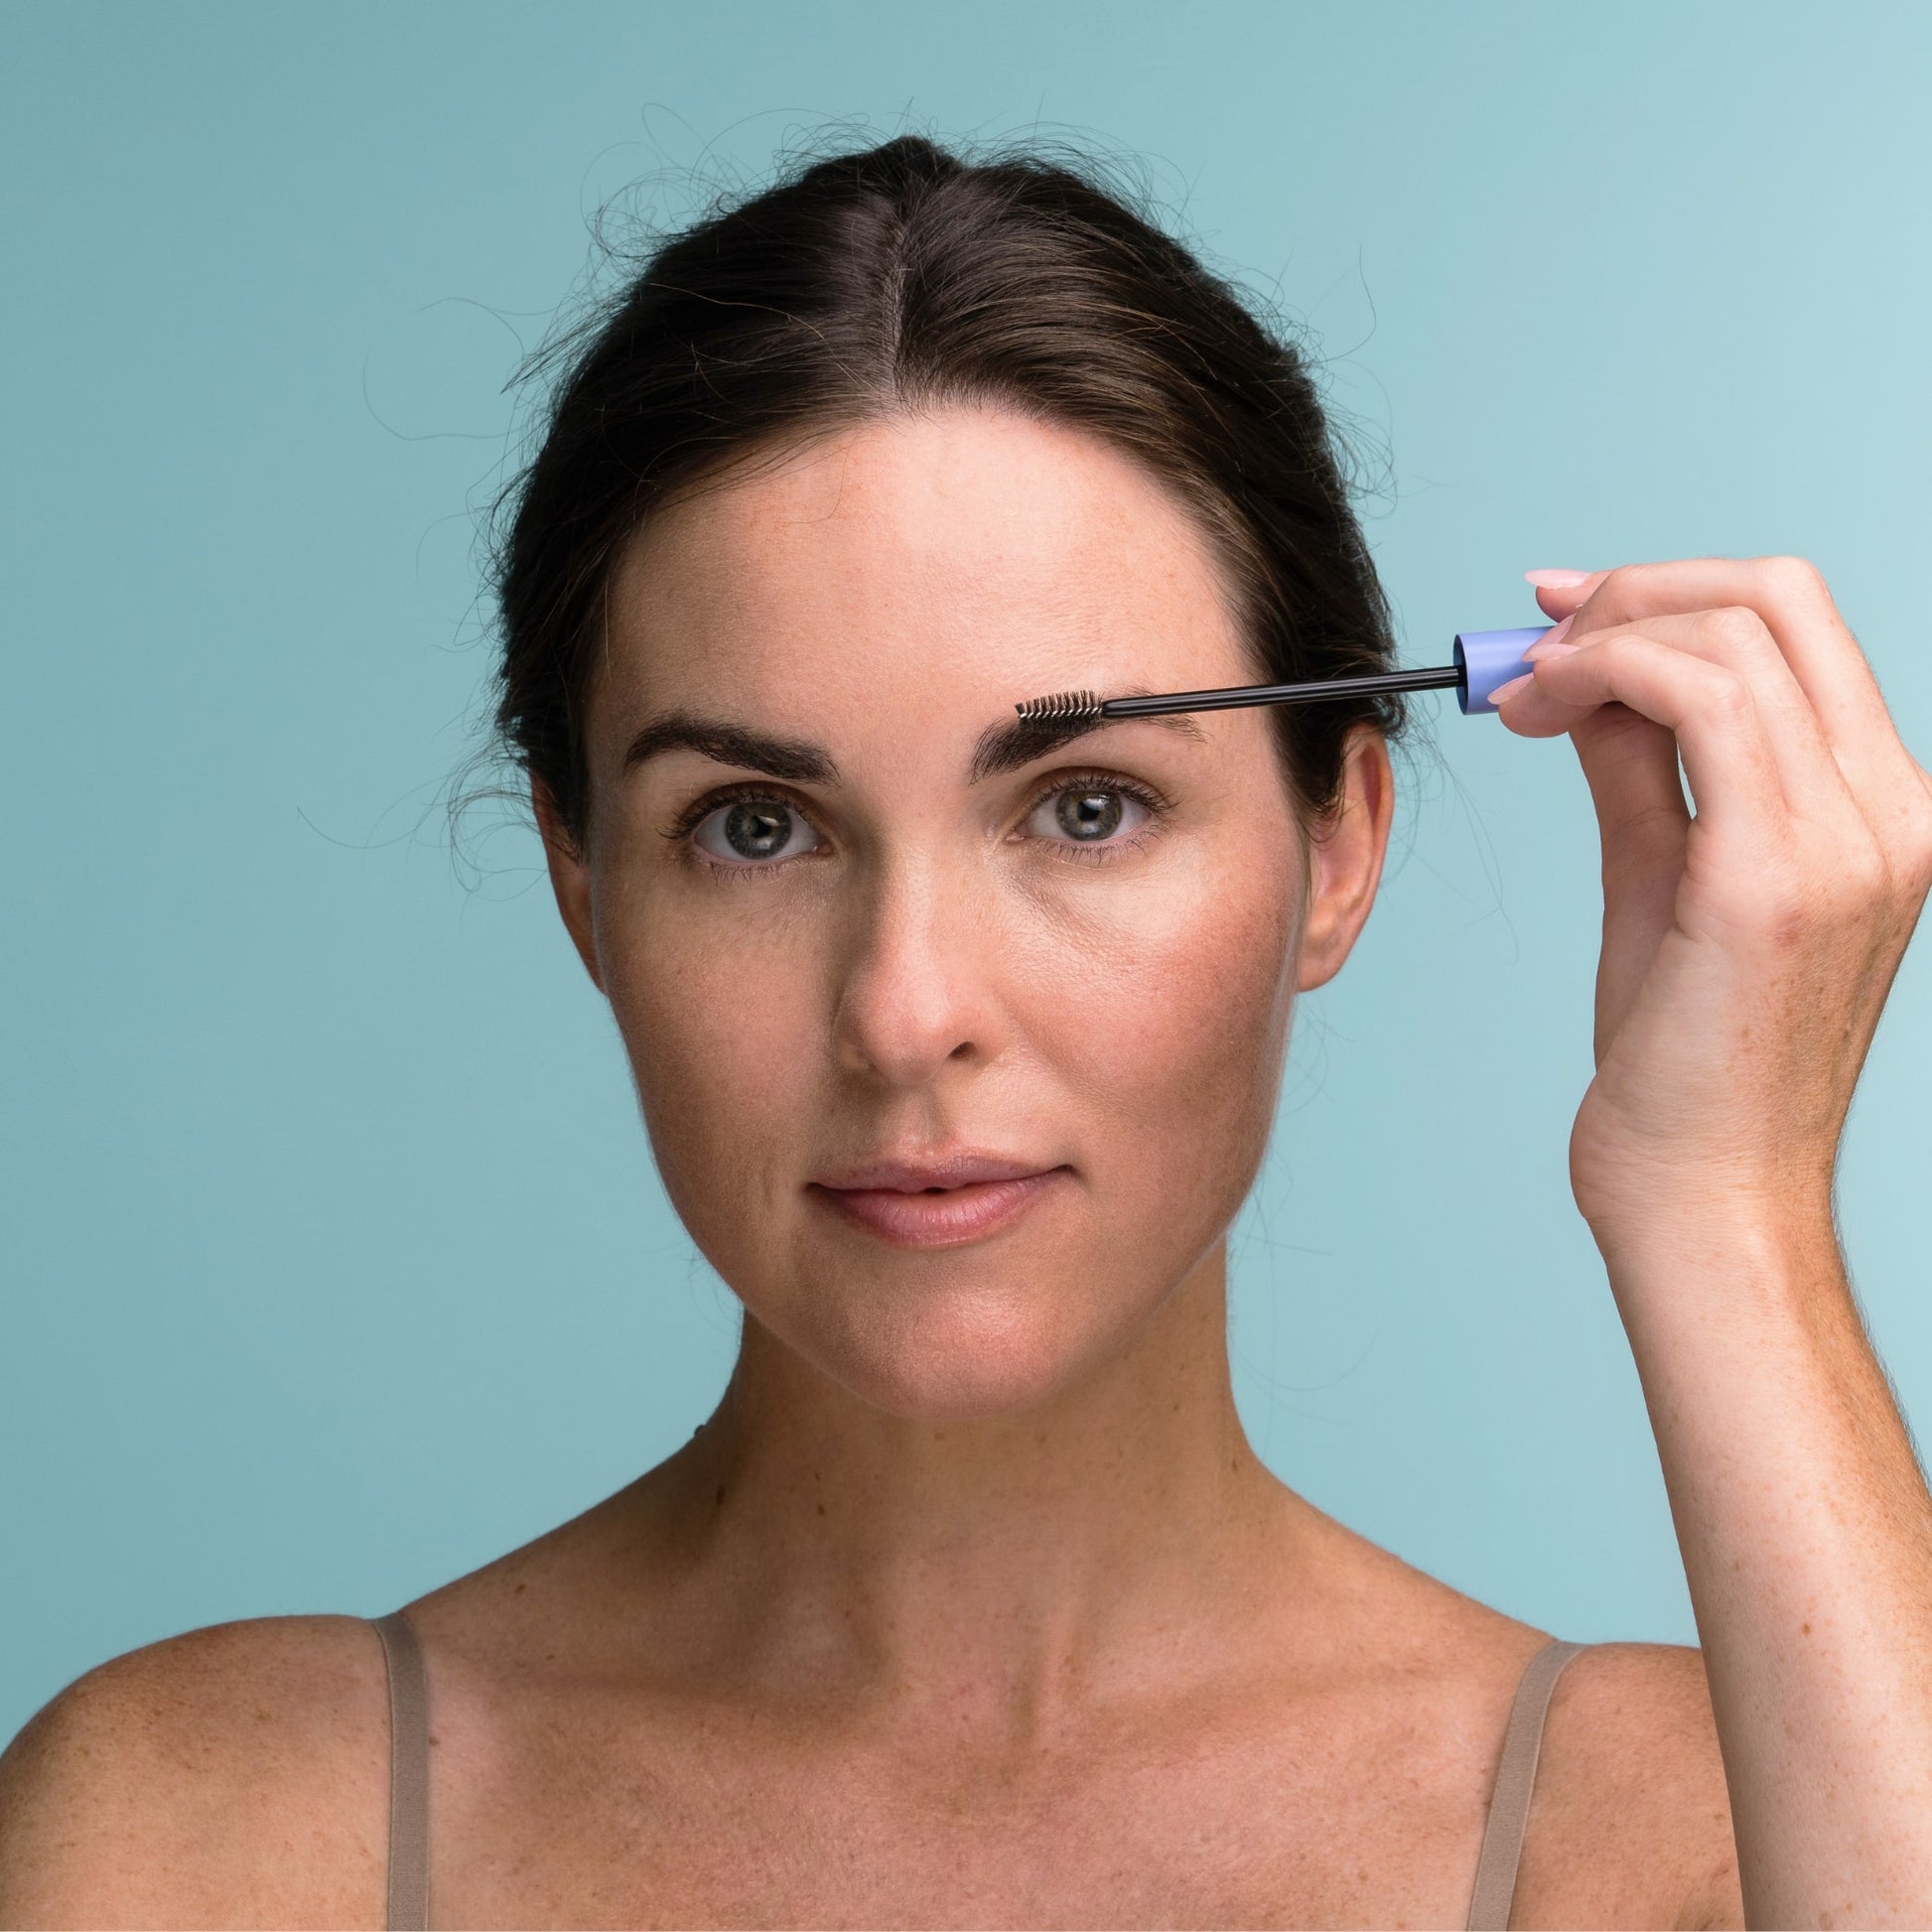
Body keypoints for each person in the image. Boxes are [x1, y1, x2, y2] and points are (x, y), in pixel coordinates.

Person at [3, 133, 1930, 1931]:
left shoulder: (1709, 1835)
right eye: (754, 827)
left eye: (1084, 804)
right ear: (588, 890)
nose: (906, 1011)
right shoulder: (205, 1841)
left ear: (1336, 842)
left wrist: (1727, 1204)